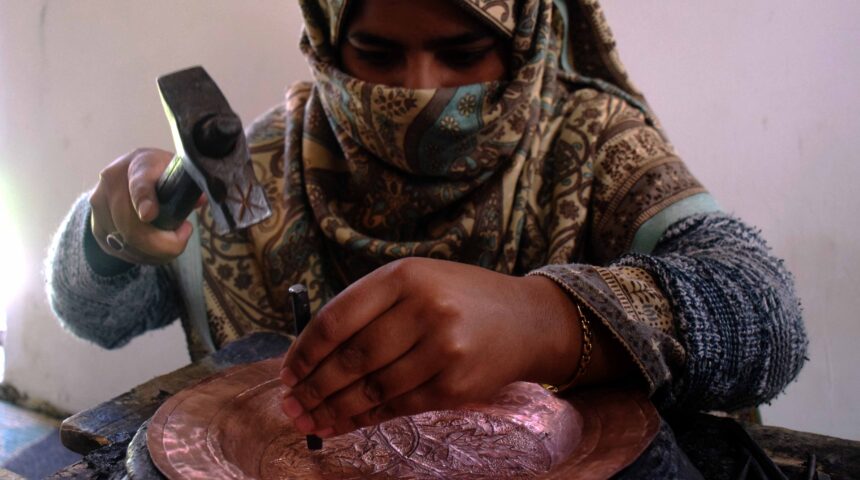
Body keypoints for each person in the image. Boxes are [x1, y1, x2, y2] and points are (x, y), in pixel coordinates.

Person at [47, 0, 806, 472]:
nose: (417, 88)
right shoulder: (271, 159)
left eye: (462, 52)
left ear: (526, 38)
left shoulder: (593, 143)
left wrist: (547, 320)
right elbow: (95, 314)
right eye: (376, 54)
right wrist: (107, 232)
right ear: (325, 34)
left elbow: (767, 311)